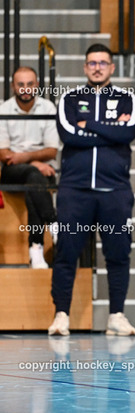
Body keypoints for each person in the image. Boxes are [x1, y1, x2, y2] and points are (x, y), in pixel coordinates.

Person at [48, 44, 135, 336]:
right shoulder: (70, 99)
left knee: (118, 253)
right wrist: (110, 129)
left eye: (102, 63)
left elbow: (128, 132)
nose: (97, 67)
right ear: (84, 67)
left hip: (115, 190)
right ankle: (61, 315)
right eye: (92, 63)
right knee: (66, 252)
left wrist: (89, 124)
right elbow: (68, 135)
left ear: (112, 67)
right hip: (75, 190)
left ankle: (116, 316)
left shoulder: (127, 99)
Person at [0, 67, 58, 268]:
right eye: (21, 84)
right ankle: (53, 223)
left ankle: (36, 250)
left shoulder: (48, 108)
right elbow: (3, 154)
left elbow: (52, 151)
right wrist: (33, 161)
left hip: (43, 169)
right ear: (12, 86)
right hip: (12, 170)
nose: (25, 89)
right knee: (34, 174)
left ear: (37, 85)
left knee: (34, 184)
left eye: (30, 84)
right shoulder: (3, 110)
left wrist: (25, 158)